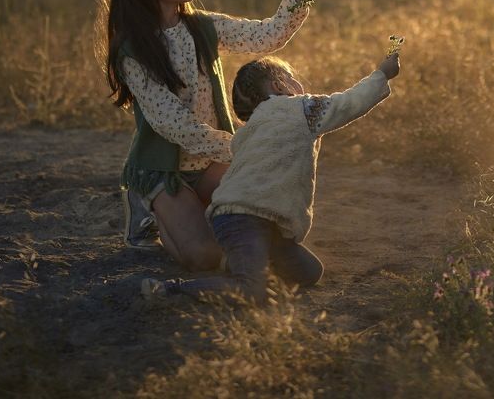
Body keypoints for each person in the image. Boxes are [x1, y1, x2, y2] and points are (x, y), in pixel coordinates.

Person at [99, 0, 329, 271]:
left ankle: (261, 239)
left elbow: (266, 36)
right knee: (205, 257)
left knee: (263, 193)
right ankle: (148, 207)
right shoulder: (133, 50)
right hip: (166, 170)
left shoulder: (203, 27)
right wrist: (243, 146)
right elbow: (176, 125)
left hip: (212, 163)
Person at [141, 48, 400, 303]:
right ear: (279, 85)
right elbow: (349, 103)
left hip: (257, 221)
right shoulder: (302, 109)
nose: (299, 83)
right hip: (242, 217)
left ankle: (244, 260)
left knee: (309, 272)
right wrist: (382, 75)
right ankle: (171, 290)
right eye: (292, 77)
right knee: (253, 290)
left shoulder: (249, 130)